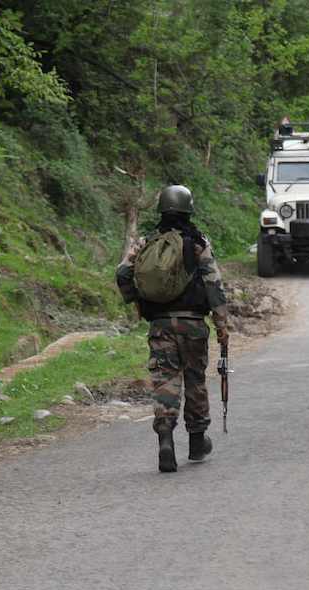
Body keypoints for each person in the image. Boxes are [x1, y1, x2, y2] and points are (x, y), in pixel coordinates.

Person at [116, 184, 229, 473]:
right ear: (188, 208)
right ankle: (196, 441)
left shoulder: (146, 242)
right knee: (195, 380)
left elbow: (122, 273)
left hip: (161, 324)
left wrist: (138, 303)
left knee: (165, 380)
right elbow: (213, 286)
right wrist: (221, 325)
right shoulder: (197, 242)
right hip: (193, 325)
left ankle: (165, 439)